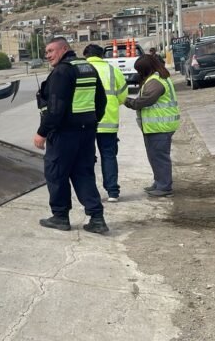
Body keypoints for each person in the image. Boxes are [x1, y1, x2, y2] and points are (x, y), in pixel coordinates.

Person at [34, 37, 109, 234]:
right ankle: (97, 218)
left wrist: (42, 133)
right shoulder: (87, 67)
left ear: (64, 48)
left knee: (56, 173)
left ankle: (60, 217)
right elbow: (101, 100)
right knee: (83, 173)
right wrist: (92, 121)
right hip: (86, 132)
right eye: (46, 52)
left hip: (64, 134)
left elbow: (56, 108)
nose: (48, 55)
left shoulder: (62, 71)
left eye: (51, 51)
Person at [123, 54, 180, 197]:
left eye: (139, 70)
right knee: (154, 156)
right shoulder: (156, 78)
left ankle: (164, 187)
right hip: (156, 126)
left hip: (160, 126)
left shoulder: (156, 82)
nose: (138, 73)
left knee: (160, 157)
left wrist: (126, 101)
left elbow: (143, 101)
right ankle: (159, 182)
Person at [83, 44, 128, 202]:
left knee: (87, 158)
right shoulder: (112, 70)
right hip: (108, 120)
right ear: (102, 55)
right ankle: (112, 193)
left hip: (86, 120)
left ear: (86, 56)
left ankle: (91, 194)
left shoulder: (81, 70)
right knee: (108, 155)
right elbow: (123, 96)